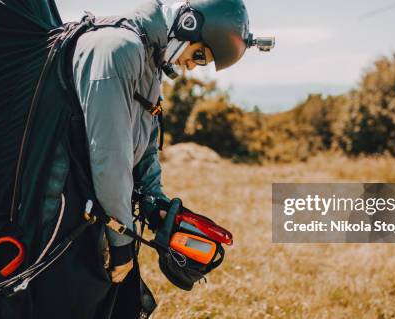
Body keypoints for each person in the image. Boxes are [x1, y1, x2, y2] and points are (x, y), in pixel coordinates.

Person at [71, 0, 260, 316]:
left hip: (99, 209)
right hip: (72, 208)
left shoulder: (150, 61)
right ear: (188, 24)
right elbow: (110, 158)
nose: (192, 65)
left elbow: (144, 145)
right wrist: (121, 246)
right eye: (199, 55)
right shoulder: (120, 48)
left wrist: (155, 203)